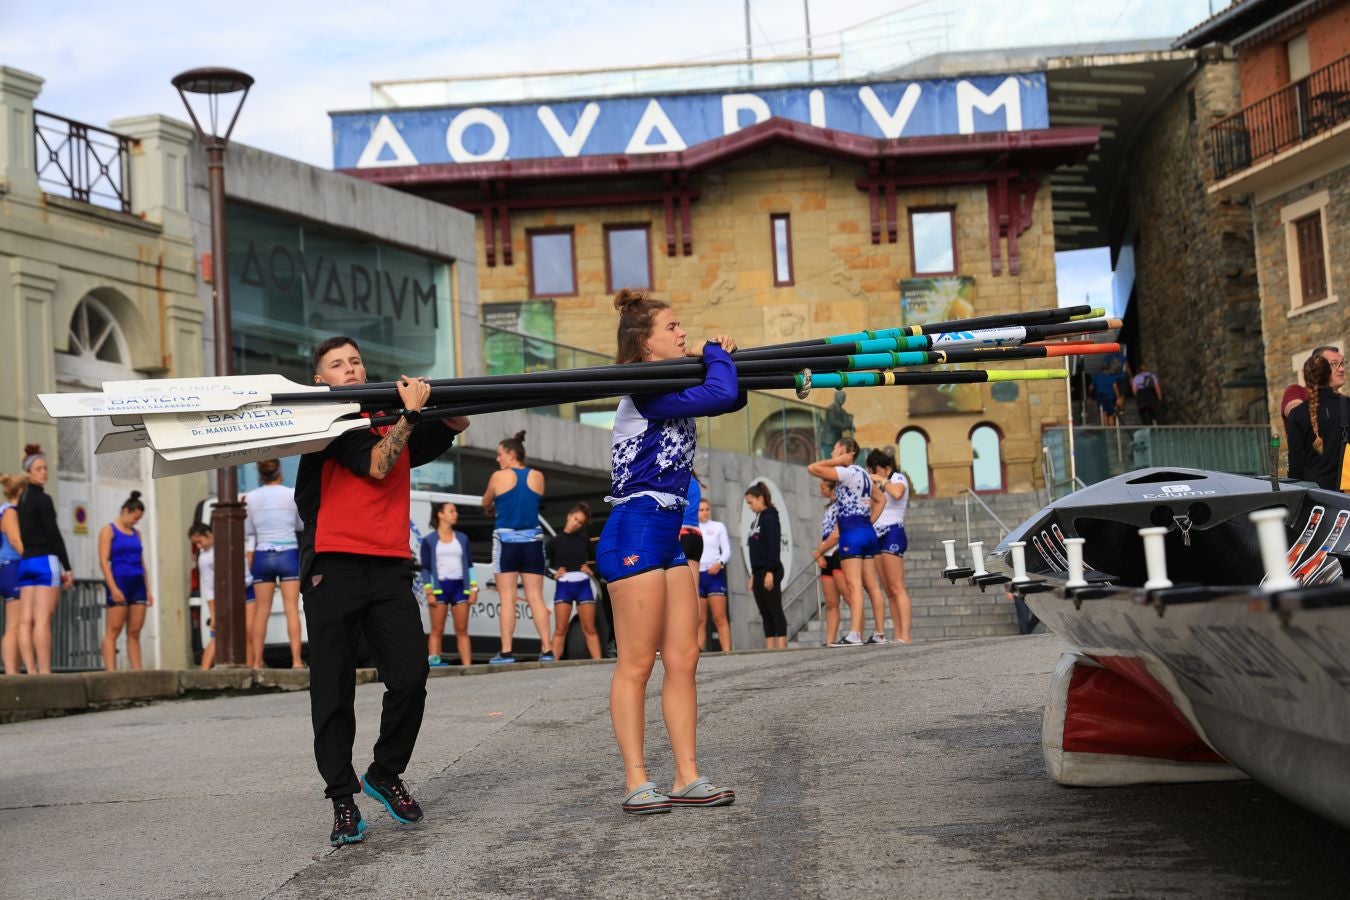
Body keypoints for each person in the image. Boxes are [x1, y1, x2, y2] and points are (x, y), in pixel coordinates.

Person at [297, 335, 468, 847]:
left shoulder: (388, 414)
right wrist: (411, 416)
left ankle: (385, 771)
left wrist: (442, 406)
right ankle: (342, 800)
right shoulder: (324, 422)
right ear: (320, 380)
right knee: (334, 689)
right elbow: (376, 463)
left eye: (355, 361)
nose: (350, 369)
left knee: (412, 675)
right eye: (337, 364)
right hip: (334, 566)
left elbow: (453, 427)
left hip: (390, 566)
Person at [596, 287, 741, 814]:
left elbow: (734, 393)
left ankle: (687, 775)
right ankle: (636, 779)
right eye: (673, 328)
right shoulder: (644, 390)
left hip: (668, 529)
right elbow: (723, 394)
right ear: (645, 346)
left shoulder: (670, 381)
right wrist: (715, 354)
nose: (683, 333)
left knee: (684, 657)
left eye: (683, 327)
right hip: (633, 527)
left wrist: (718, 356)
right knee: (637, 662)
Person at [482, 431, 551, 664]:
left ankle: (507, 651)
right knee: (536, 598)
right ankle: (547, 649)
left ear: (511, 454)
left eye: (500, 454)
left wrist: (492, 507)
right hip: (533, 541)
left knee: (508, 598)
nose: (497, 459)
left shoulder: (498, 476)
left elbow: (485, 503)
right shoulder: (538, 476)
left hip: (506, 541)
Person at [807, 438, 877, 646]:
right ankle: (873, 633)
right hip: (860, 530)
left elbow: (812, 467)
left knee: (854, 588)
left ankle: (856, 633)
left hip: (850, 536)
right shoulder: (860, 476)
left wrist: (840, 461)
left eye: (836, 450)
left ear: (848, 452)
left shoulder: (848, 473)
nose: (832, 454)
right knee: (856, 591)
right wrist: (868, 522)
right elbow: (879, 499)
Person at [16, 445, 72, 674]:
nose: (44, 472)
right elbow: (54, 534)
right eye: (39, 468)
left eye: (45, 468)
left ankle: (30, 671)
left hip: (25, 563)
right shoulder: (44, 499)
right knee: (42, 620)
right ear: (29, 472)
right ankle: (45, 672)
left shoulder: (22, 499)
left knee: (25, 620)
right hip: (44, 561)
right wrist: (67, 567)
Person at [245, 459, 304, 669]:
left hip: (263, 553)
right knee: (291, 609)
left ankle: (257, 661)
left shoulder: (250, 498)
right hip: (288, 552)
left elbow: (249, 530)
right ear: (279, 471)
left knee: (261, 611)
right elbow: (299, 524)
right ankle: (296, 660)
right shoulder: (290, 494)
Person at [98, 491, 154, 671]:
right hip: (120, 580)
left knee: (135, 632)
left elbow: (141, 562)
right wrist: (113, 588)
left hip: (137, 583)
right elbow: (104, 561)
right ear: (125, 511)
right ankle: (111, 672)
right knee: (113, 631)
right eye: (135, 518)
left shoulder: (136, 534)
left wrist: (148, 589)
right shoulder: (109, 530)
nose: (136, 522)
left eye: (139, 519)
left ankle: (138, 672)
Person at [419, 502, 476, 668]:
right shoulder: (429, 540)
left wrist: (473, 588)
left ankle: (468, 667)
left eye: (456, 511)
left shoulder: (462, 538)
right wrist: (429, 591)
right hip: (440, 587)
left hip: (460, 587)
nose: (455, 514)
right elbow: (426, 569)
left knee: (462, 630)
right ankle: (434, 665)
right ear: (440, 514)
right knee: (437, 630)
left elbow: (470, 565)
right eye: (451, 511)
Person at [867, 450, 913, 644]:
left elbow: (897, 492)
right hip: (876, 534)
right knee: (888, 589)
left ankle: (906, 635)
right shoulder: (878, 483)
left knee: (896, 586)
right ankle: (898, 634)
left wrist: (882, 480)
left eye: (875, 469)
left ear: (885, 468)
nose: (873, 473)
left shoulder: (897, 477)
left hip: (893, 531)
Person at [547, 502, 601, 660]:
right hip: (564, 585)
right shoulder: (554, 541)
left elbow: (600, 560)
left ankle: (599, 665)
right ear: (569, 516)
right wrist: (553, 574)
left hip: (583, 584)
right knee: (560, 629)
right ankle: (551, 668)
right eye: (575, 519)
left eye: (580, 522)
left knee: (590, 629)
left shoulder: (585, 541)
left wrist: (593, 572)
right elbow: (541, 563)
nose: (576, 523)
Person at [1287, 353, 1348, 492]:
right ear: (1329, 376)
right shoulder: (1347, 405)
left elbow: (1295, 465)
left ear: (1306, 379)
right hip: (1346, 493)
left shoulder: (1297, 415)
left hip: (1315, 496)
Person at [744, 482, 786, 650]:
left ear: (760, 498)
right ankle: (770, 647)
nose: (749, 506)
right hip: (759, 571)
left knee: (774, 608)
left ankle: (782, 646)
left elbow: (773, 548)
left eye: (750, 501)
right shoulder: (756, 521)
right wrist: (754, 574)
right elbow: (756, 551)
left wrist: (770, 572)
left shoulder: (770, 518)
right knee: (764, 610)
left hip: (771, 569)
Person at [810, 479, 846, 646]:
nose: (820, 490)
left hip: (840, 550)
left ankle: (856, 633)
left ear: (832, 488)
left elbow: (837, 533)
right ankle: (830, 640)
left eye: (823, 487)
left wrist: (819, 551)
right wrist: (820, 554)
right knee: (831, 602)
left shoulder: (842, 503)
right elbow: (825, 533)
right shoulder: (828, 507)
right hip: (827, 553)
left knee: (849, 596)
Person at [695, 497, 732, 652]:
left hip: (714, 575)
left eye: (707, 509)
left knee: (719, 617)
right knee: (700, 620)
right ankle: (698, 655)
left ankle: (728, 652)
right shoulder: (691, 528)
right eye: (701, 510)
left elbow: (727, 551)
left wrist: (719, 564)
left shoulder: (718, 527)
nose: (705, 513)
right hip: (697, 576)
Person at [1, 473, 28, 674]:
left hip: (9, 567)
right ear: (21, 491)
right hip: (12, 567)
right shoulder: (11, 511)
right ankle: (12, 672)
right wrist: (33, 559)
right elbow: (15, 540)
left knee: (18, 625)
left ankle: (14, 670)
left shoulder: (6, 509)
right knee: (15, 626)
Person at [190, 524, 217, 670]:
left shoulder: (223, 545)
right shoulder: (204, 557)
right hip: (220, 599)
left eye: (200, 541)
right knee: (217, 637)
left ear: (208, 533)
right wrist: (213, 614)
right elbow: (208, 588)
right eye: (196, 544)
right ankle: (204, 671)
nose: (199, 546)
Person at [679, 472, 705, 603]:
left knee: (678, 591)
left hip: (682, 535)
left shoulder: (678, 479)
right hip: (696, 536)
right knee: (694, 591)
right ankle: (696, 624)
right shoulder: (694, 482)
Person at [1091, 360, 1124, 427]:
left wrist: (1091, 396)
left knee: (1104, 413)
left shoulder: (1097, 377)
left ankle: (1106, 429)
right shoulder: (1112, 377)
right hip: (1111, 398)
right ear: (1108, 369)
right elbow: (1115, 388)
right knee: (1111, 414)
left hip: (1101, 397)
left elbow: (1090, 387)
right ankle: (1112, 430)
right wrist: (1118, 397)